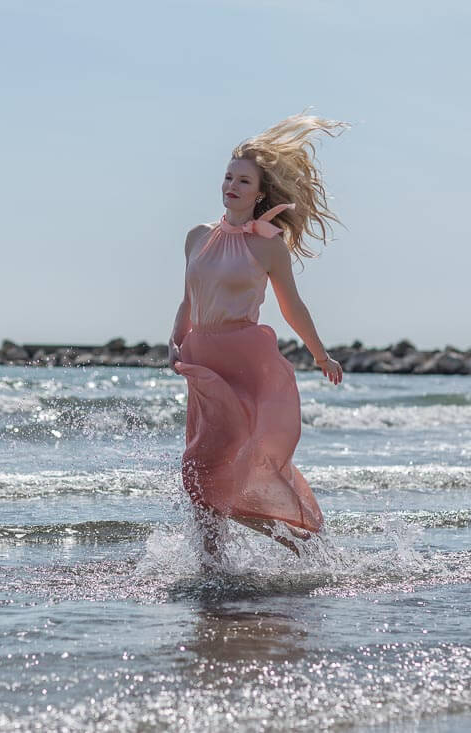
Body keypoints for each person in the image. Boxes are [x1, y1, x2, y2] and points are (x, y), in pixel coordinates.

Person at [168, 112, 346, 566]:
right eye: (228, 177)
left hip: (245, 361)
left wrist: (320, 354)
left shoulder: (267, 245)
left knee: (223, 471)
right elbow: (189, 298)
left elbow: (292, 307)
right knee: (200, 472)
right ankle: (214, 567)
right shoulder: (196, 237)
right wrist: (175, 339)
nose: (231, 185)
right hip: (203, 363)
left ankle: (299, 543)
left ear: (259, 191)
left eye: (243, 181)